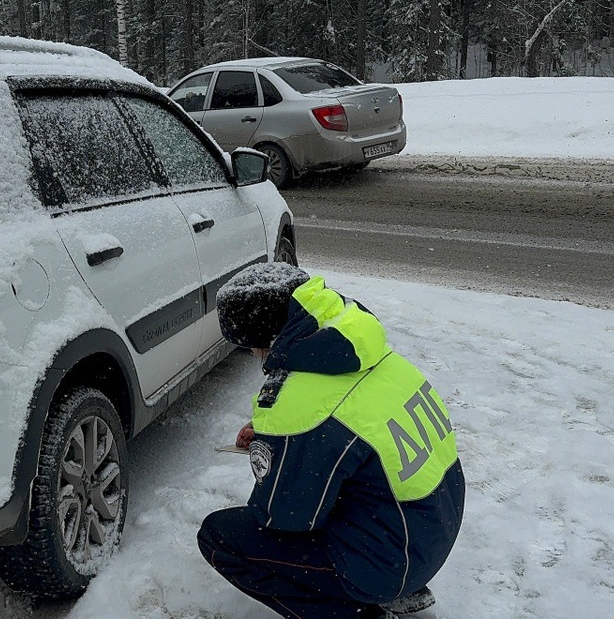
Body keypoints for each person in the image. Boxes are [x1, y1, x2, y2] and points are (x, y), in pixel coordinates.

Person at [197, 262, 465, 619]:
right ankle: (393, 584)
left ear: (261, 341)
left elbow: (283, 516)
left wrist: (278, 449)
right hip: (436, 525)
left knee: (219, 537)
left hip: (395, 559)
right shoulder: (373, 358)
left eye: (249, 347)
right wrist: (281, 434)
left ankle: (360, 610)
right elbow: (353, 421)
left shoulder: (301, 406)